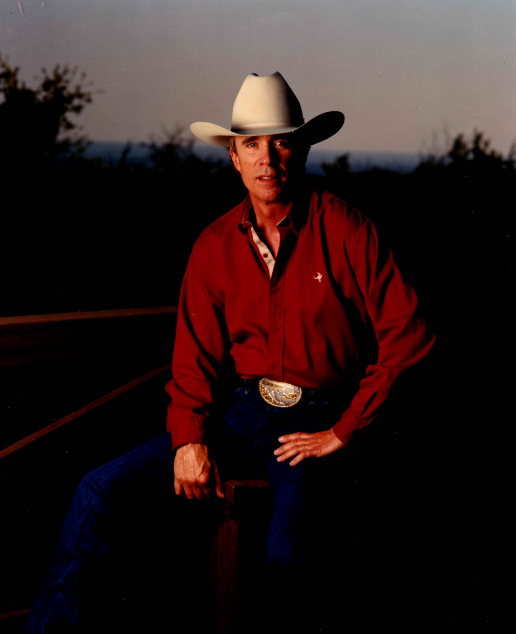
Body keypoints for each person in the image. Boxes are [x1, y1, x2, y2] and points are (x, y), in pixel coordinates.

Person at [25, 72, 434, 634]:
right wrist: (190, 439)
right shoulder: (213, 246)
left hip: (315, 420)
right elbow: (192, 361)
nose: (269, 158)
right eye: (252, 145)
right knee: (97, 491)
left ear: (304, 149)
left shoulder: (345, 228)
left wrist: (346, 429)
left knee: (287, 556)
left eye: (282, 141)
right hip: (239, 415)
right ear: (234, 159)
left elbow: (410, 335)